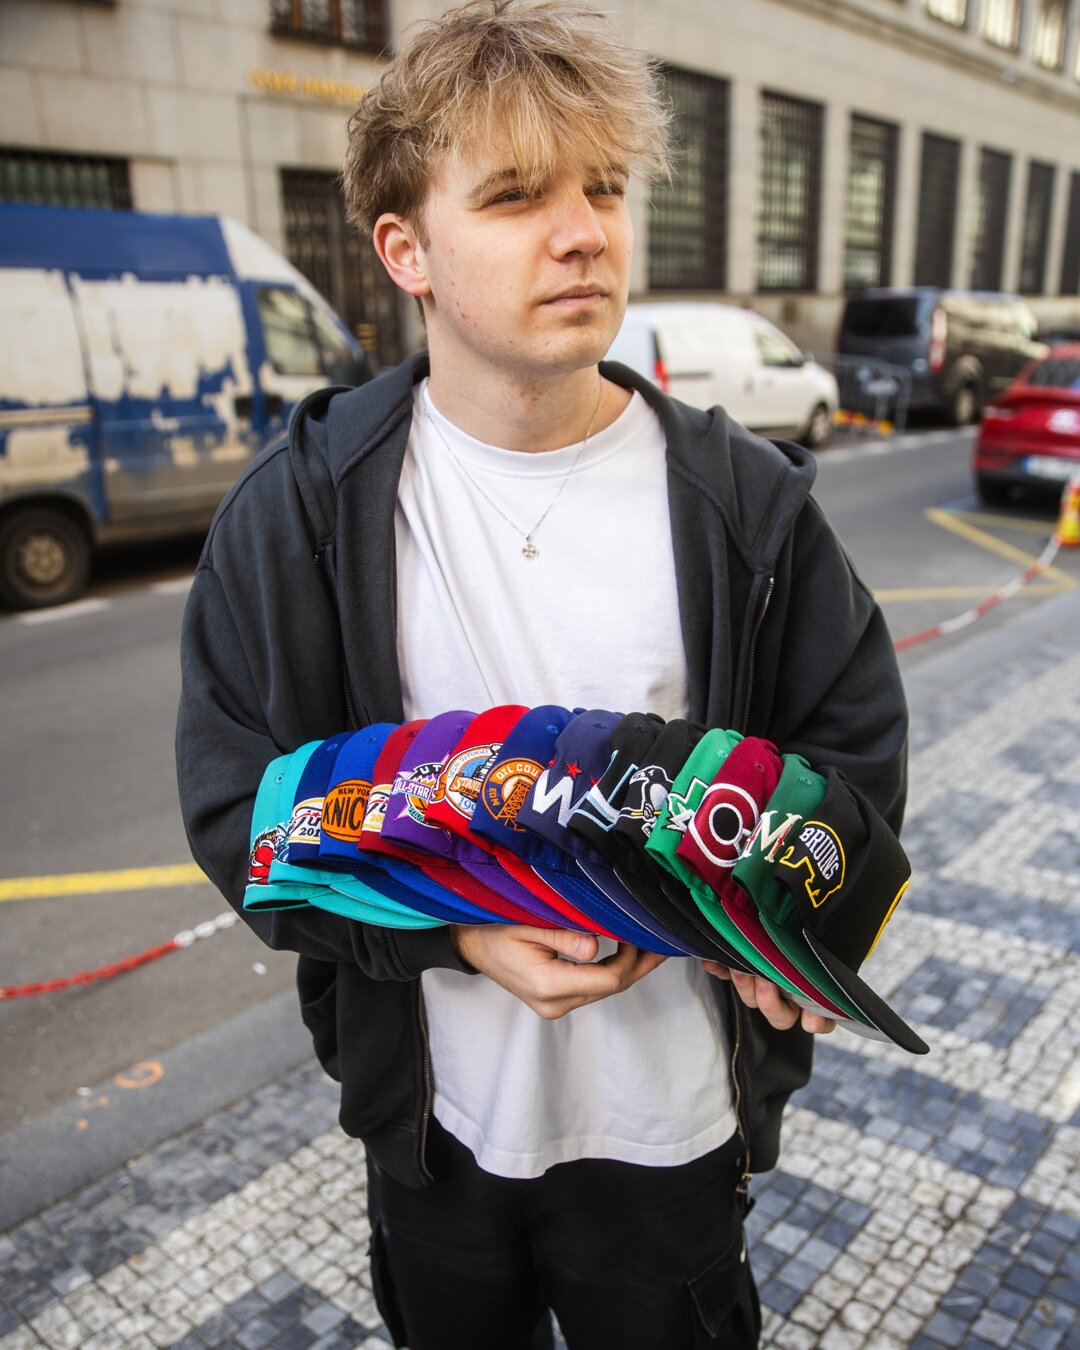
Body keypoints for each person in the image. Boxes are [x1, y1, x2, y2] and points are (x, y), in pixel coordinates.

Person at [176, 2, 908, 1346]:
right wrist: (448, 935)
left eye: (606, 188)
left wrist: (783, 917)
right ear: (404, 249)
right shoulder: (300, 513)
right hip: (436, 1126)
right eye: (516, 195)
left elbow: (848, 754)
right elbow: (240, 806)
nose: (584, 233)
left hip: (672, 1127)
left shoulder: (744, 505)